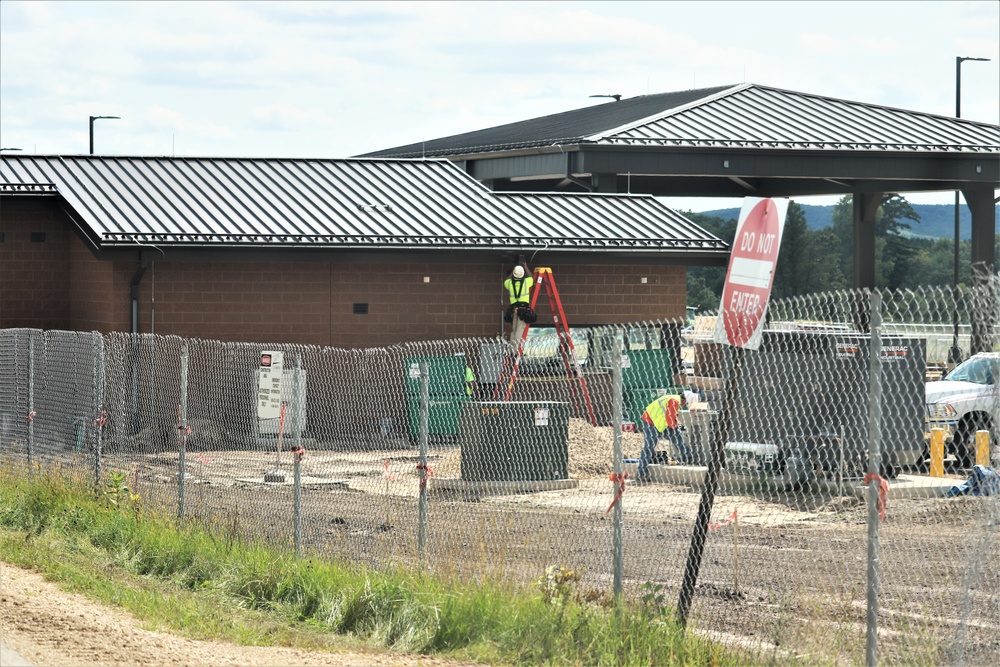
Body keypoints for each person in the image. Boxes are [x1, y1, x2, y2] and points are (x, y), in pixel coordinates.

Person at [637, 393, 690, 480]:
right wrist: (677, 427)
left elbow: (672, 417)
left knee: (677, 437)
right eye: (686, 403)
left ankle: (688, 457)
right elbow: (670, 419)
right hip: (650, 421)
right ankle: (641, 473)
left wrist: (679, 425)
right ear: (684, 400)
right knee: (649, 446)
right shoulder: (674, 401)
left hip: (658, 422)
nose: (685, 405)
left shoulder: (674, 399)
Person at [503, 263, 535, 349]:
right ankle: (516, 349)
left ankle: (512, 348)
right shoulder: (526, 282)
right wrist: (526, 267)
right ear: (523, 274)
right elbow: (532, 277)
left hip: (514, 309)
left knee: (514, 329)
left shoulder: (509, 283)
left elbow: (506, 280)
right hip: (523, 309)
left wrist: (513, 271)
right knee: (520, 329)